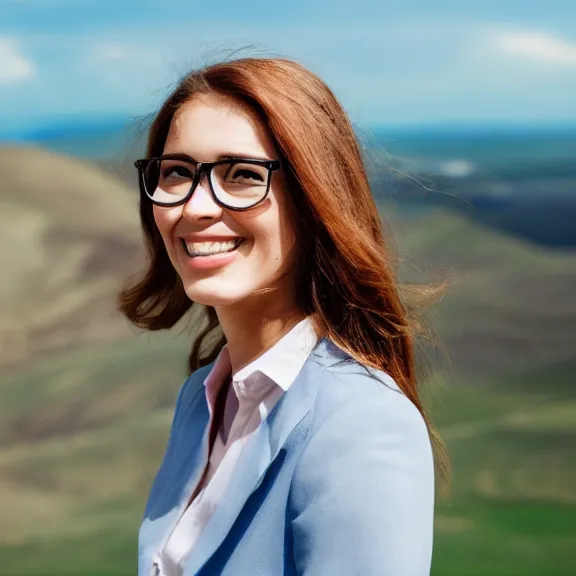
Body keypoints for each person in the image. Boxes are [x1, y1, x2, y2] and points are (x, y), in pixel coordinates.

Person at [120, 56, 442, 576]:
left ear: (315, 199)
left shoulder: (360, 422)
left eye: (243, 175)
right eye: (177, 172)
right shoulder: (200, 400)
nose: (196, 207)